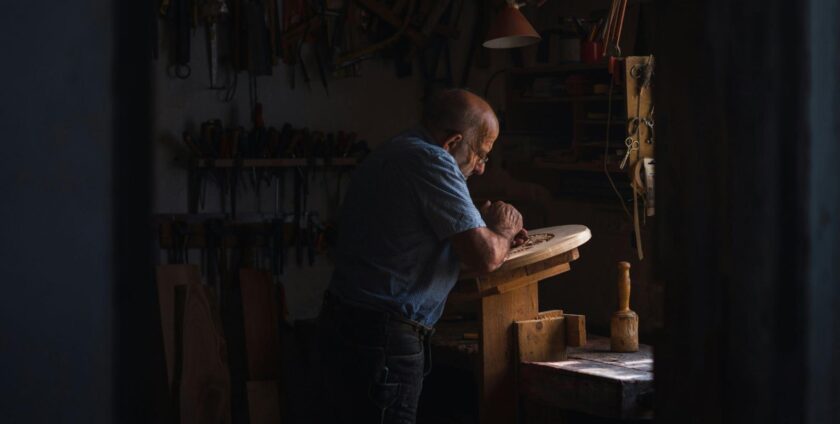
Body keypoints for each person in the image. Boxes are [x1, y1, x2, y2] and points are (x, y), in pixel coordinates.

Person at [317, 89, 527, 423]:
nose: (481, 169)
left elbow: (412, 246)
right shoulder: (431, 159)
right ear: (453, 142)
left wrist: (479, 227)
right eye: (481, 155)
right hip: (382, 339)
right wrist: (501, 232)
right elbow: (485, 258)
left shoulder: (394, 150)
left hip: (350, 326)